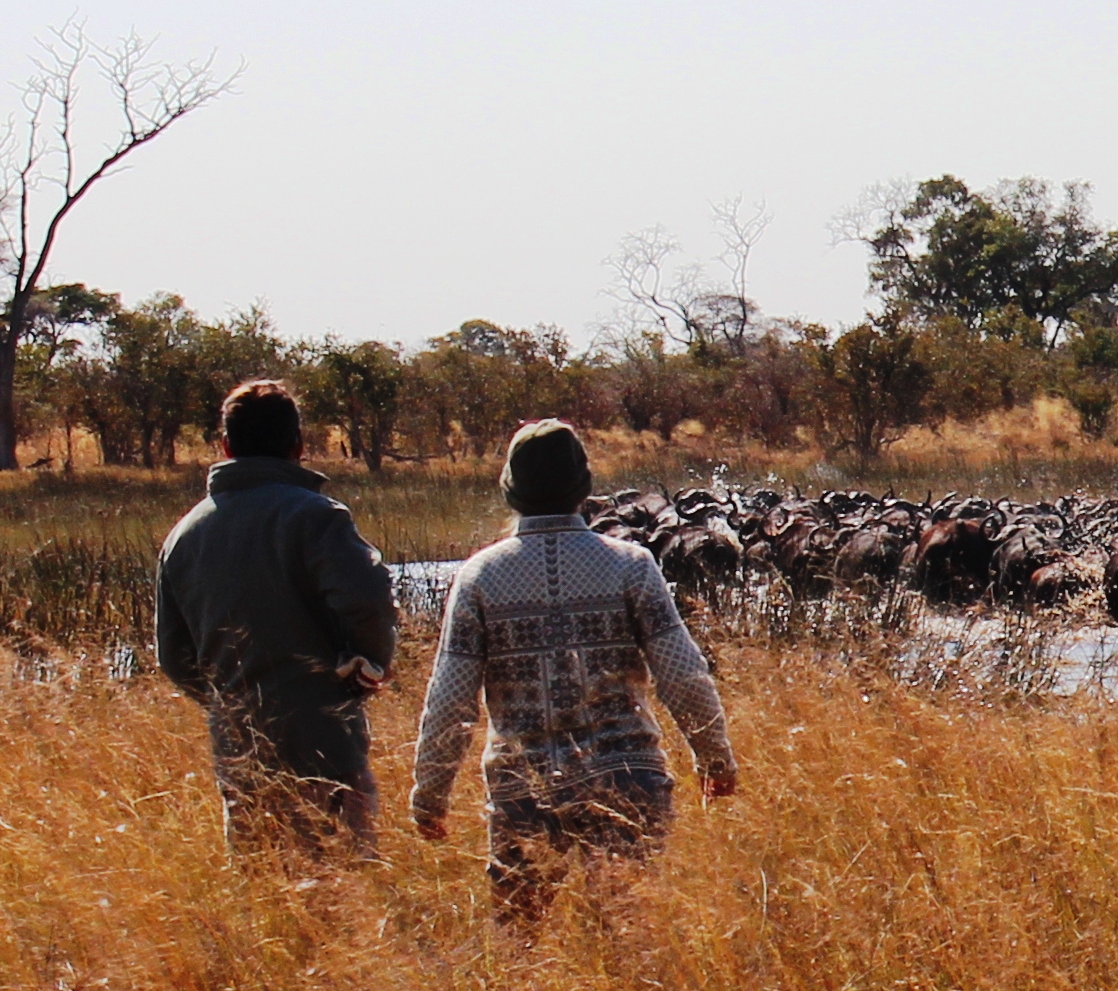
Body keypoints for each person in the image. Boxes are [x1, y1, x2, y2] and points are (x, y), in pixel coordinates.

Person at [410, 419, 737, 921]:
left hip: (524, 792)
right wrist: (714, 759)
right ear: (584, 488)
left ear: (510, 492)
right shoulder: (631, 565)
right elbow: (681, 673)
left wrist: (430, 794)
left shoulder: (479, 577)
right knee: (628, 938)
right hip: (628, 782)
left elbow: (450, 700)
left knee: (523, 940)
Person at [156, 380, 399, 860]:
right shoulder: (318, 517)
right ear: (298, 446)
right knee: (344, 893)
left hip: (240, 748)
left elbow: (174, 656)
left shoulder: (183, 536)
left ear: (225, 446)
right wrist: (363, 668)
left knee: (266, 894)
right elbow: (370, 602)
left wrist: (231, 700)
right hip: (326, 742)